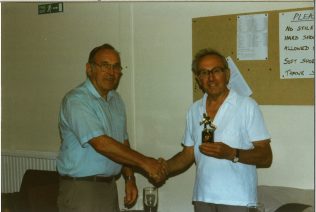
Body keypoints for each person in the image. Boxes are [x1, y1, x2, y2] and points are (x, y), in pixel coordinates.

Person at [56, 43, 166, 212]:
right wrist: (146, 163)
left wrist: (130, 179)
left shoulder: (116, 100)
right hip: (81, 189)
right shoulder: (76, 100)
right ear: (89, 69)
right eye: (105, 65)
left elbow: (122, 143)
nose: (111, 72)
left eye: (116, 67)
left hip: (108, 188)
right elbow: (101, 143)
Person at [159, 48, 272, 212]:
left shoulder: (247, 106)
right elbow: (187, 154)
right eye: (204, 73)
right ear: (198, 79)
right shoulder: (194, 110)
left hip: (238, 200)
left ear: (226, 74)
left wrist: (232, 153)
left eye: (216, 71)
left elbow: (266, 156)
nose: (211, 78)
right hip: (203, 199)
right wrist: (161, 168)